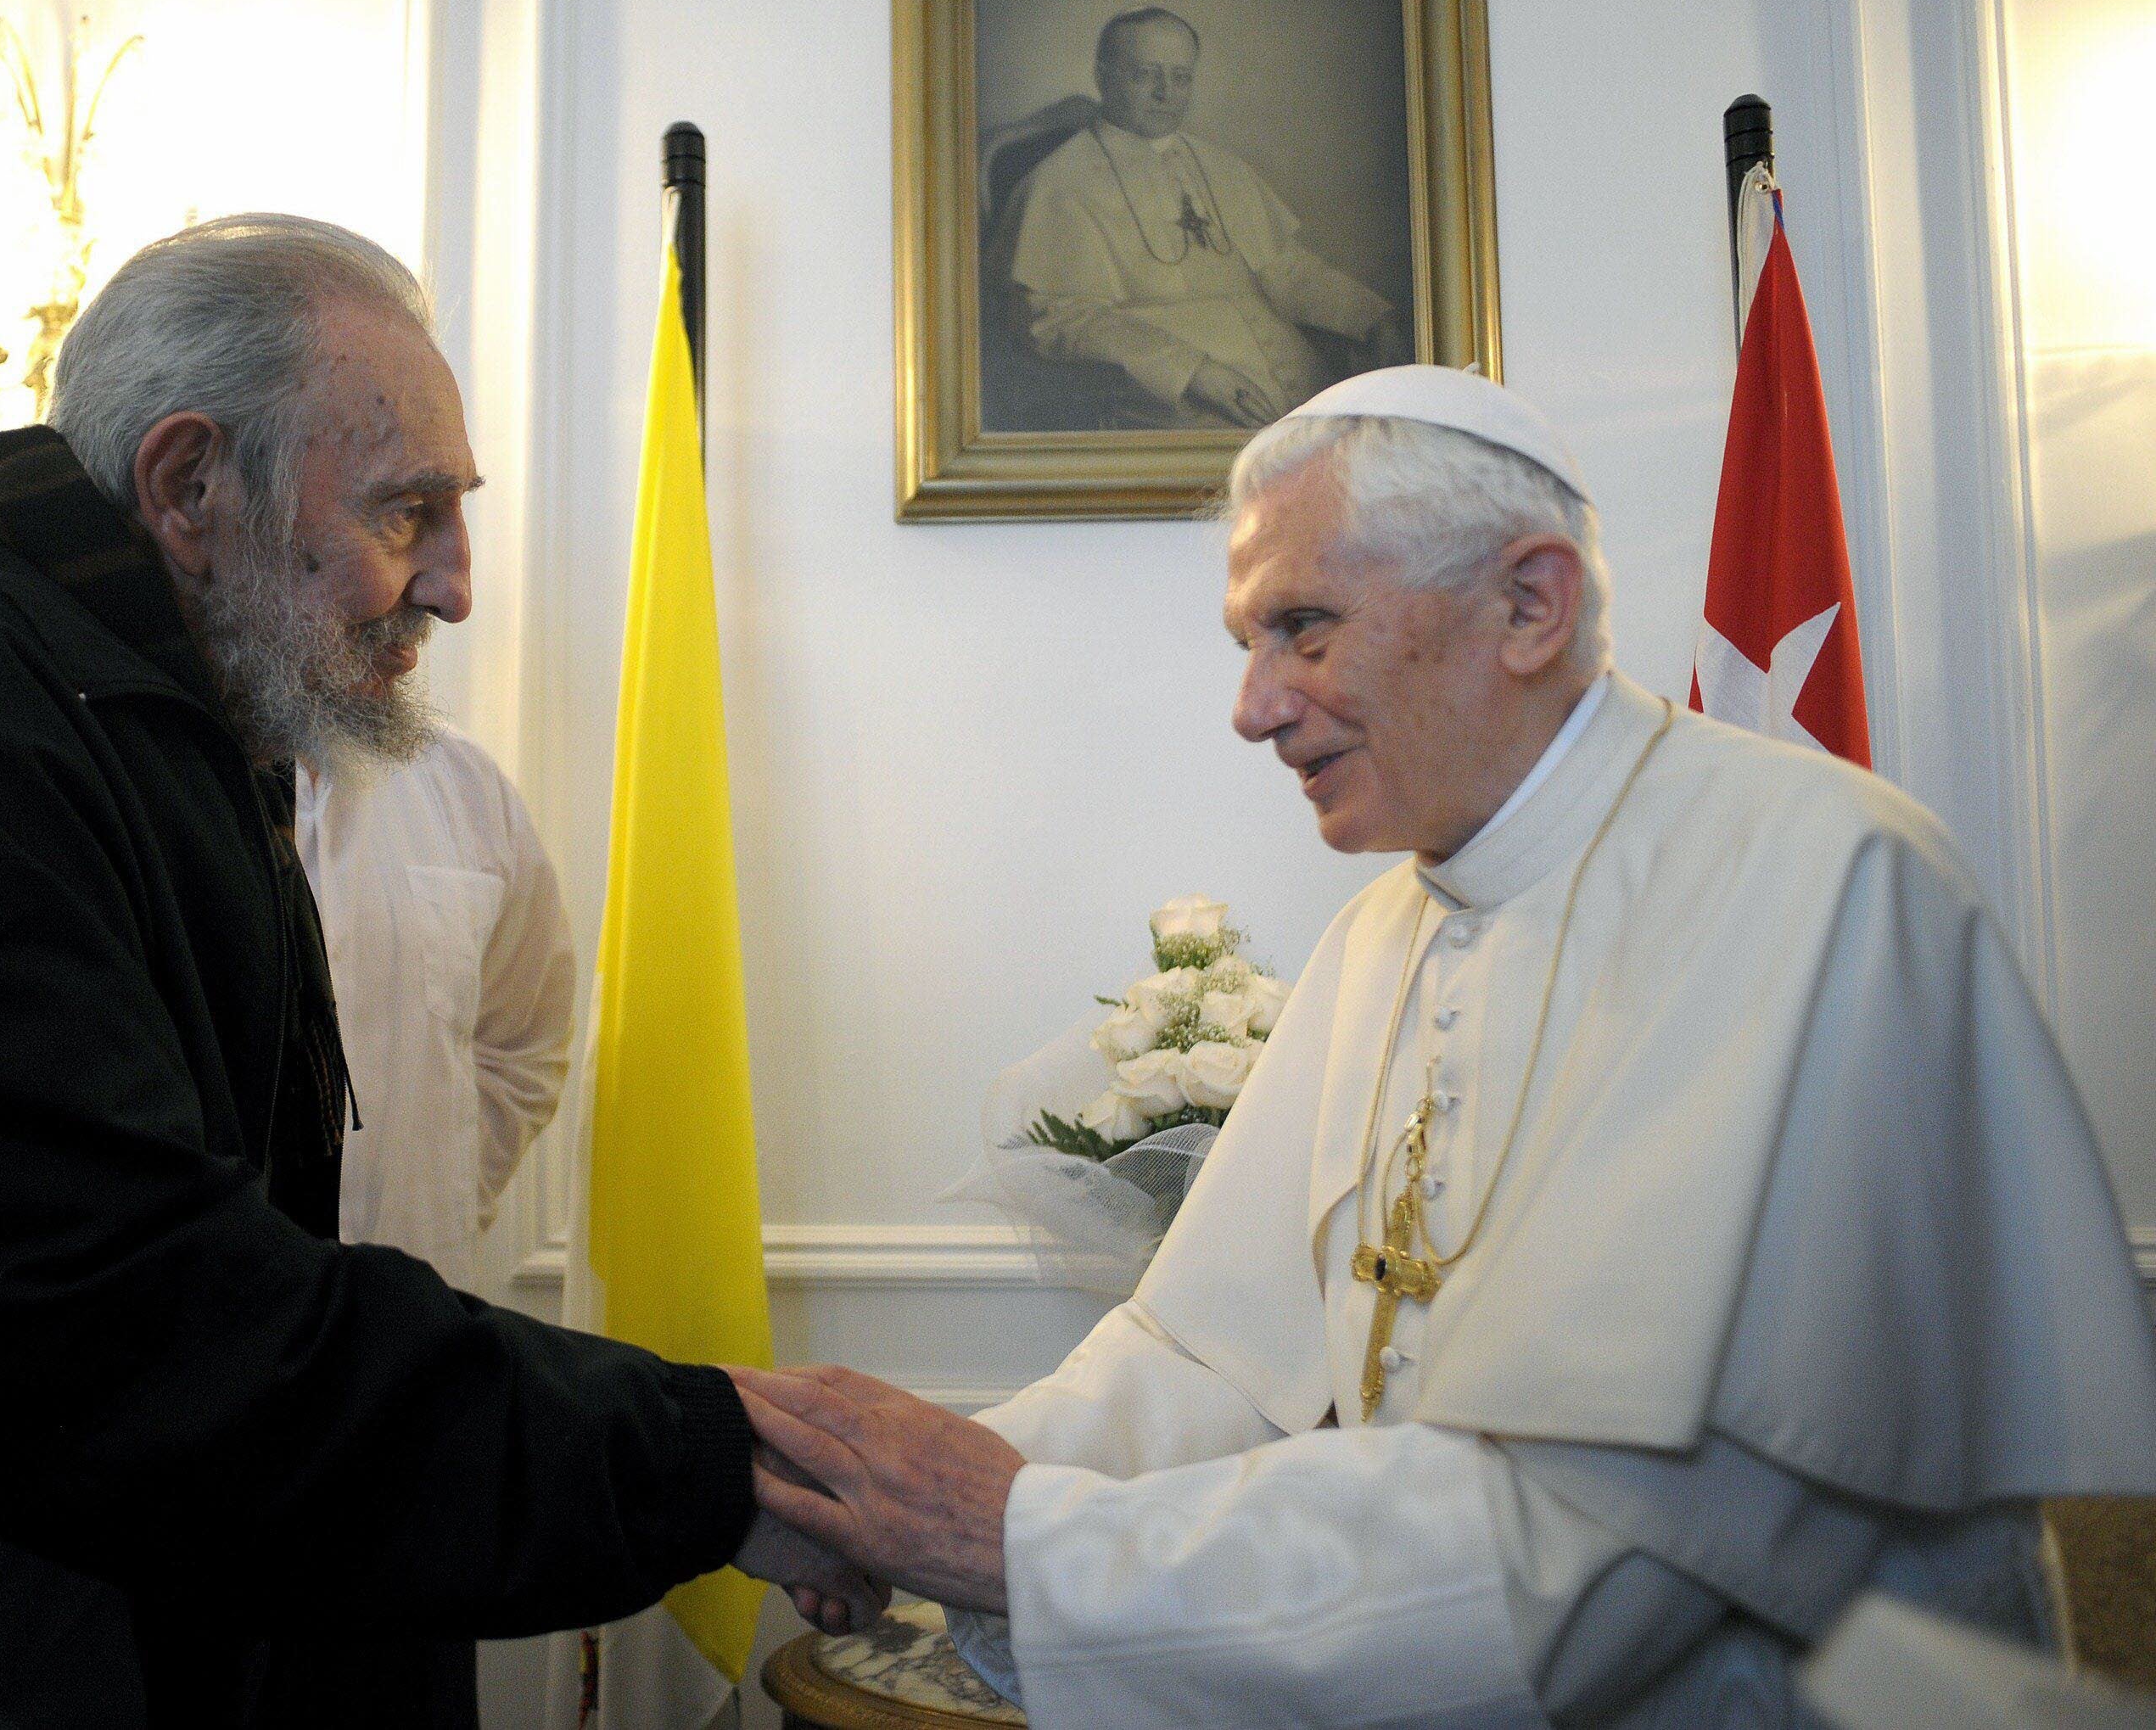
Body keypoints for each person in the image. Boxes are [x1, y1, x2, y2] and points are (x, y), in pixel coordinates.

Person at [735, 367, 2156, 1725]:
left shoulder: (1822, 882)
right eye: (1249, 644)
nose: (1254, 707)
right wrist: (872, 1487)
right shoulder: (1384, 936)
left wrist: (1019, 1543)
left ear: (1528, 604)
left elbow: (1588, 1562)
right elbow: (1209, 1358)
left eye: (1303, 628)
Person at [0, 213, 871, 1727]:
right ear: (191, 485)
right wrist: (708, 1459)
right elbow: (122, 1325)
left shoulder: (134, 732)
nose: (454, 585)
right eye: (408, 513)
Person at [1007, 6, 1403, 429]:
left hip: (1290, 378)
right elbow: (1061, 318)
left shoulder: (1223, 166)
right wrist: (1193, 373)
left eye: (1181, 77)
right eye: (1145, 74)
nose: (1166, 93)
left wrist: (1371, 318)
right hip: (1164, 396)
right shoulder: (1058, 182)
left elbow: (1284, 268)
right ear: (1103, 76)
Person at [298, 730, 574, 1299]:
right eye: (371, 629)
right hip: (209, 1336)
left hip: (420, 1315)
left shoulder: (466, 787)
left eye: (411, 628)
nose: (420, 641)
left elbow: (523, 1043)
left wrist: (445, 1200)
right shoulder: (155, 778)